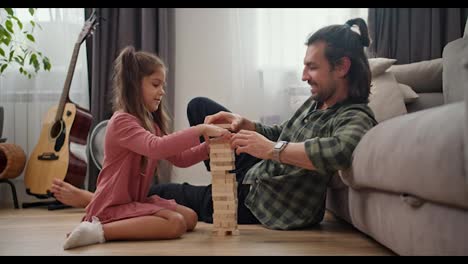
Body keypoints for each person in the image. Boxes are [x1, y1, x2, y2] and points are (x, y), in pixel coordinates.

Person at [53, 17, 378, 231]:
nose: (304, 75)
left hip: (263, 200)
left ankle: (96, 201)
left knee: (168, 195)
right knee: (201, 108)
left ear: (342, 67)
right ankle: (106, 203)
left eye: (312, 67)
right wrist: (244, 125)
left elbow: (337, 151)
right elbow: (282, 134)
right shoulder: (315, 102)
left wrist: (269, 149)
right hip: (258, 172)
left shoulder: (355, 118)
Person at [59, 46, 230, 250]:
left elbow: (181, 158)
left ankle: (116, 223)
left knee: (190, 218)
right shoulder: (121, 121)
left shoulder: (151, 125)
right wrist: (200, 129)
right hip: (112, 205)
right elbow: (156, 147)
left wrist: (207, 148)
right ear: (134, 86)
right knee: (175, 223)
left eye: (163, 85)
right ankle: (98, 230)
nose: (162, 91)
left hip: (135, 201)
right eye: (156, 84)